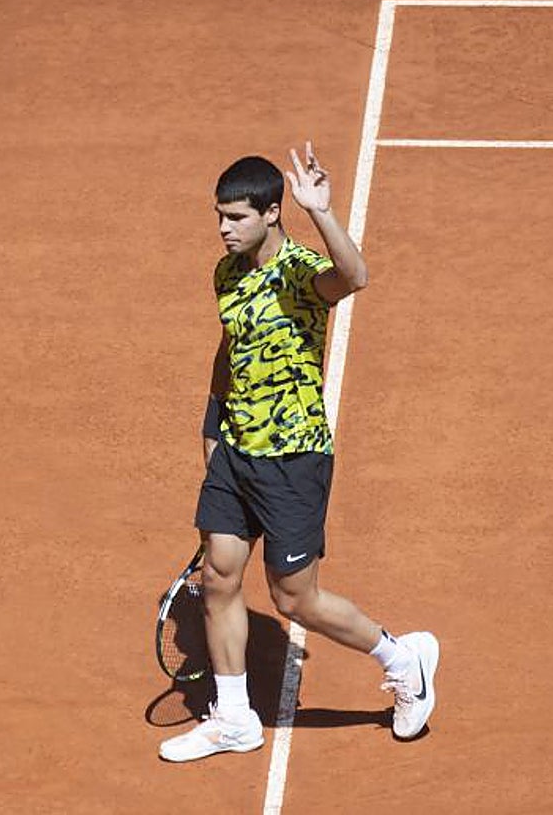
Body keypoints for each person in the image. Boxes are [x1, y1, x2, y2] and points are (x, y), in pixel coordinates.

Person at [159, 142, 439, 763]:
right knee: (219, 577)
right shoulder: (225, 273)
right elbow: (228, 350)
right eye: (218, 216)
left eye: (235, 217)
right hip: (236, 448)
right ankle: (234, 717)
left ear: (270, 214)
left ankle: (405, 658)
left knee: (294, 599)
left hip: (292, 457)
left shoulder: (300, 273)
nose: (223, 229)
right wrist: (213, 425)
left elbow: (355, 276)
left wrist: (323, 212)